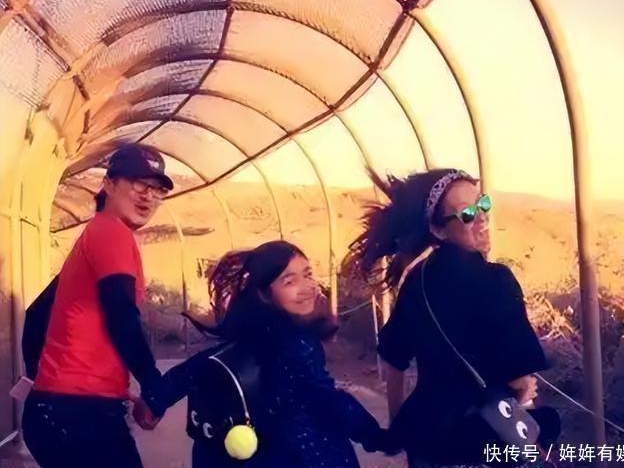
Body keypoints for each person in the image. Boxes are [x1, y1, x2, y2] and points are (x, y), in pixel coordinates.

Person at [347, 168, 561, 468]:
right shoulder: (497, 280)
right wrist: (524, 390)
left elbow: (394, 357)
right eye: (467, 213)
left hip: (426, 437)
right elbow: (519, 379)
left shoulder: (418, 280)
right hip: (481, 441)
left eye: (482, 204)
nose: (482, 217)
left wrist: (399, 425)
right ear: (438, 230)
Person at [141, 240, 400, 467]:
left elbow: (196, 367)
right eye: (289, 281)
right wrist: (377, 437)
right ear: (264, 293)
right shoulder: (296, 342)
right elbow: (331, 401)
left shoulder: (253, 334)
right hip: (306, 455)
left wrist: (155, 400)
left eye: (307, 275)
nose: (307, 287)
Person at [21, 144, 173, 468]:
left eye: (157, 190)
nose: (148, 196)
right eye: (139, 184)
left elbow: (36, 315)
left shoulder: (95, 235)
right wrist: (153, 385)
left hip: (60, 412)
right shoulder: (112, 232)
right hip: (80, 416)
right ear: (108, 184)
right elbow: (122, 314)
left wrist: (47, 386)